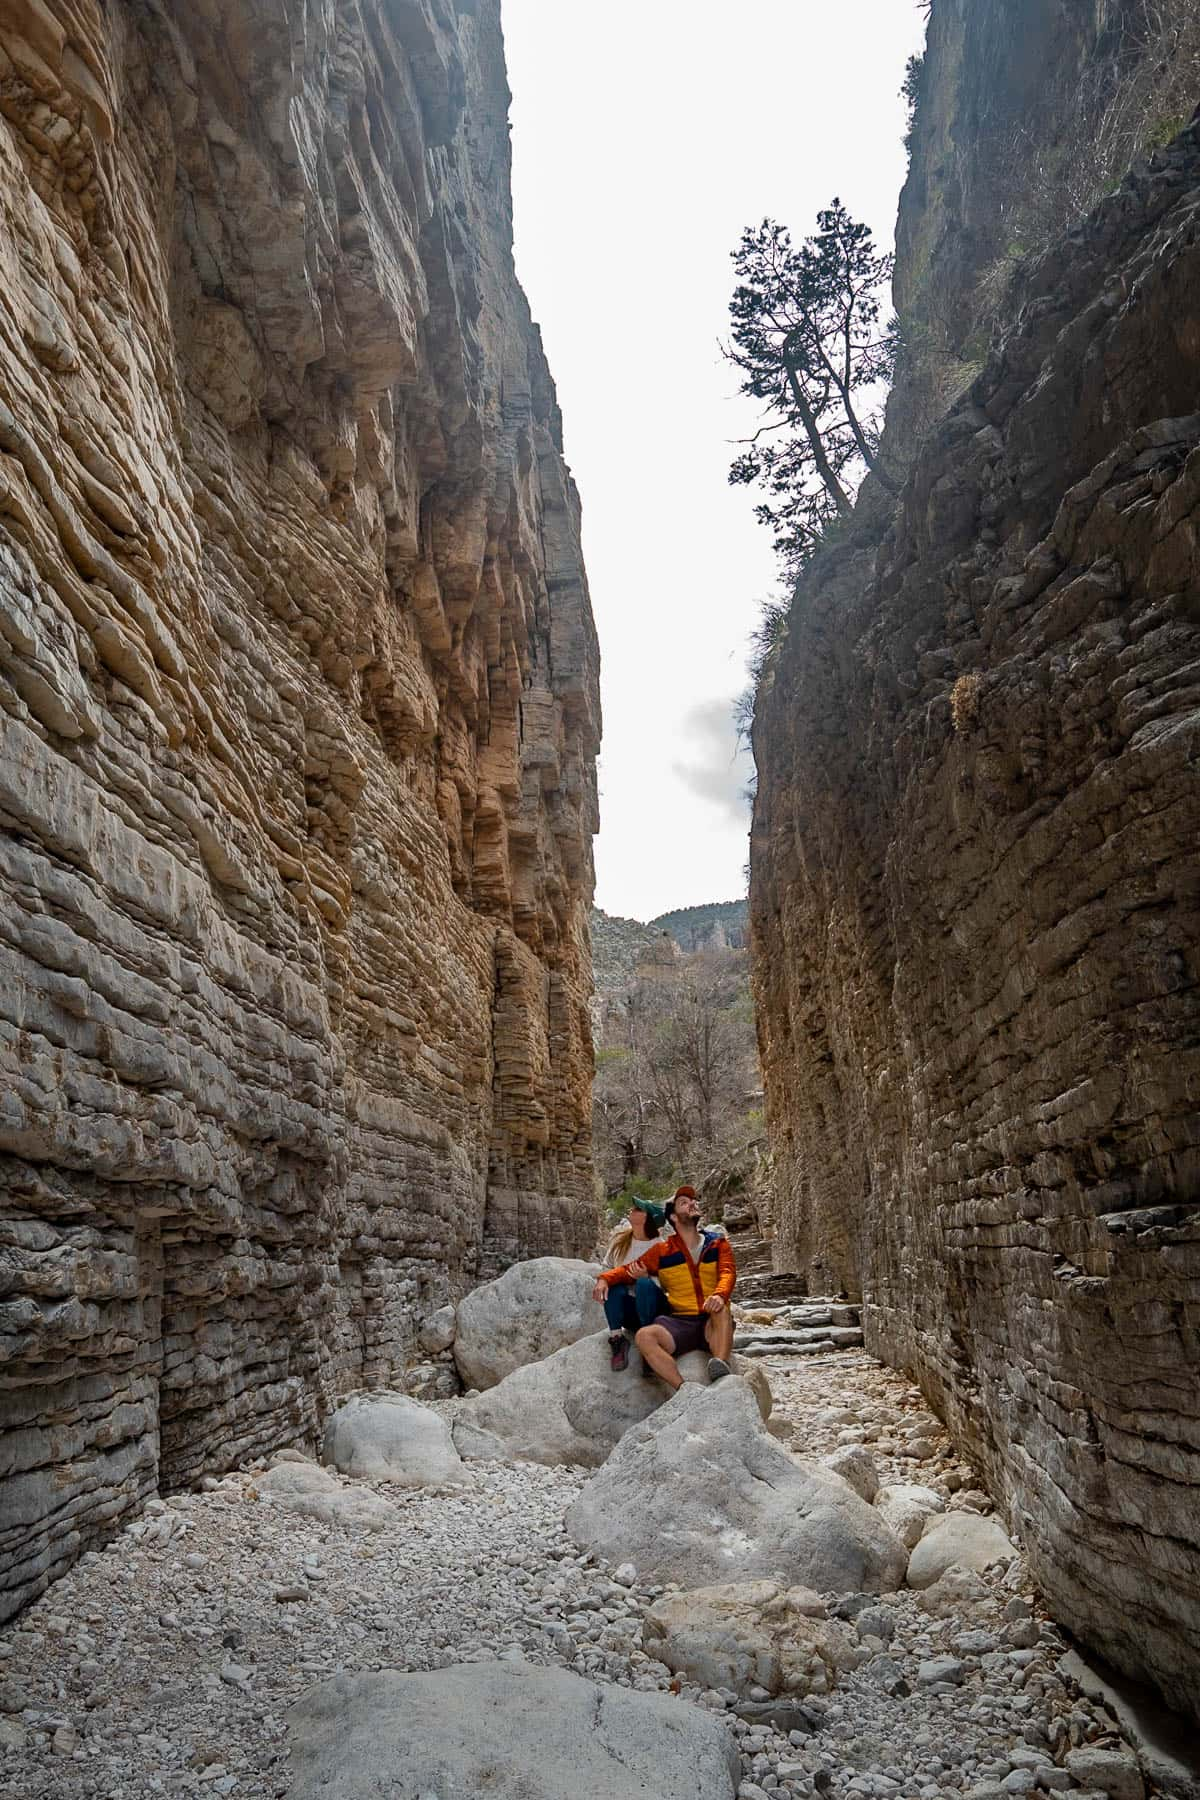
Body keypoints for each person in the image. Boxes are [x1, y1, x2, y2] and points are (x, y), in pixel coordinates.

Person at [595, 1184, 735, 1390]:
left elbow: (727, 1273)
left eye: (693, 1201)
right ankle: (683, 1388)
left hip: (710, 1318)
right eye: (684, 1203)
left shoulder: (718, 1244)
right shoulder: (663, 1250)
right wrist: (604, 1279)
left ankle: (720, 1365)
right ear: (674, 1218)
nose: (692, 1204)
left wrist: (720, 1294)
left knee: (721, 1309)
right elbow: (627, 1270)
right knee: (644, 1336)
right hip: (680, 1321)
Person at [592, 1199, 669, 1371]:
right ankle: (617, 1339)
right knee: (613, 1285)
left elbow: (668, 1284)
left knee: (643, 1283)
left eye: (637, 1209)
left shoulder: (659, 1246)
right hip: (628, 1311)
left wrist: (647, 1276)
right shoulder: (620, 1241)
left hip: (653, 1310)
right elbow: (607, 1267)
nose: (631, 1209)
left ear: (647, 1218)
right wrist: (603, 1280)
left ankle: (648, 1343)